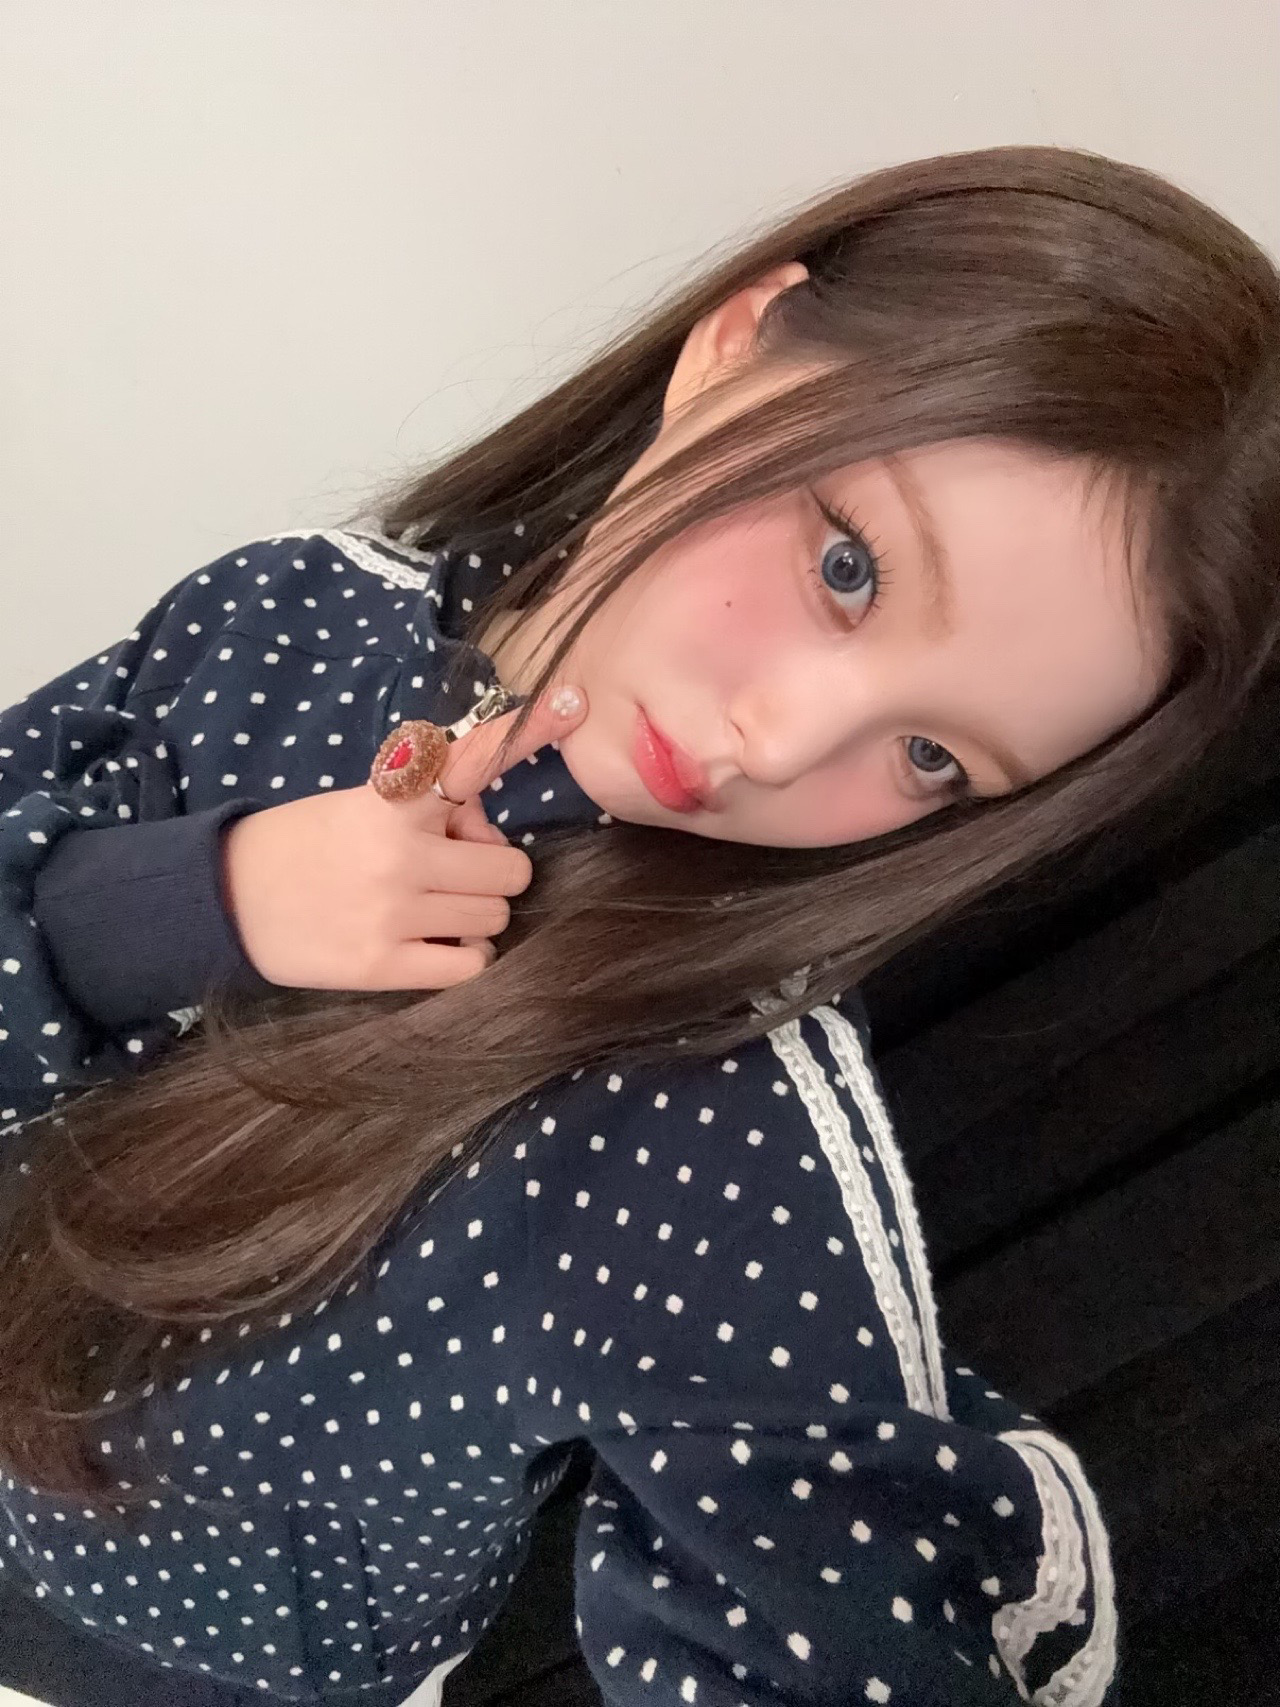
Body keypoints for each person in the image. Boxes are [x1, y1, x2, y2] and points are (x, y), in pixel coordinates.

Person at [0, 143, 1276, 1707]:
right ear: (736, 345)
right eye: (849, 567)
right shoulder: (287, 621)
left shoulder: (715, 1115)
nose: (780, 743)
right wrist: (199, 897)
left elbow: (818, 1577)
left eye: (933, 757)